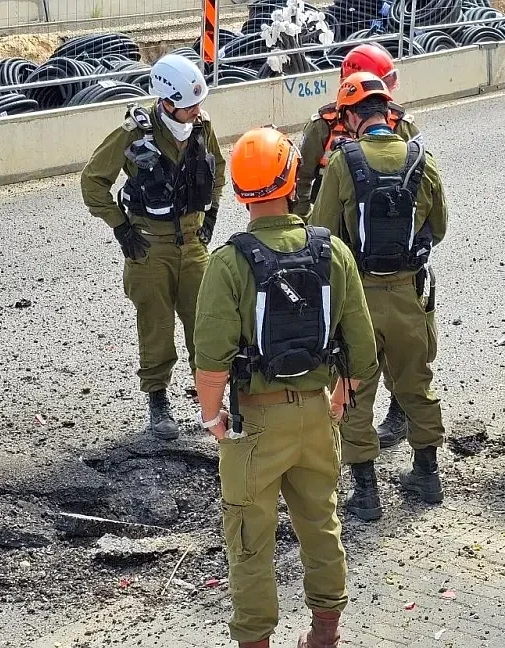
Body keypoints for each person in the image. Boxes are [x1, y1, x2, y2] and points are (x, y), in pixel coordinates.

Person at [193, 126, 378, 647]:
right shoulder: (333, 252)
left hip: (254, 422)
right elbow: (362, 352)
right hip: (316, 415)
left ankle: (256, 639)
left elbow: (210, 364)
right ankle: (324, 635)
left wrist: (213, 419)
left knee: (250, 541)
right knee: (321, 525)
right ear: (293, 181)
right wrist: (337, 400)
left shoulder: (228, 263)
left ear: (238, 192)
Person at [308, 72, 448, 522]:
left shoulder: (342, 163)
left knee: (354, 390)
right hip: (409, 295)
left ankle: (366, 493)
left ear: (350, 116)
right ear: (387, 112)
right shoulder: (422, 160)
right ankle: (427, 475)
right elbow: (439, 227)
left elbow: (322, 232)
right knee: (416, 383)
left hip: (359, 299)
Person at [80, 54, 225, 439]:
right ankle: (158, 401)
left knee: (207, 325)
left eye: (198, 104)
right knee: (156, 326)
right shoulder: (133, 133)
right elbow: (93, 181)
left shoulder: (201, 126)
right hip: (149, 246)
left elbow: (218, 171)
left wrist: (211, 214)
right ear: (167, 102)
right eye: (189, 106)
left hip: (193, 242)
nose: (196, 111)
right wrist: (121, 228)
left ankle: (211, 403)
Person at [294, 43, 422, 448]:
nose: (387, 94)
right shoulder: (322, 127)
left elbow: (419, 189)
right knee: (339, 335)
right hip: (337, 243)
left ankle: (395, 413)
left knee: (401, 344)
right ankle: (334, 415)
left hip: (390, 250)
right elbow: (301, 183)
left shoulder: (402, 126)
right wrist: (299, 238)